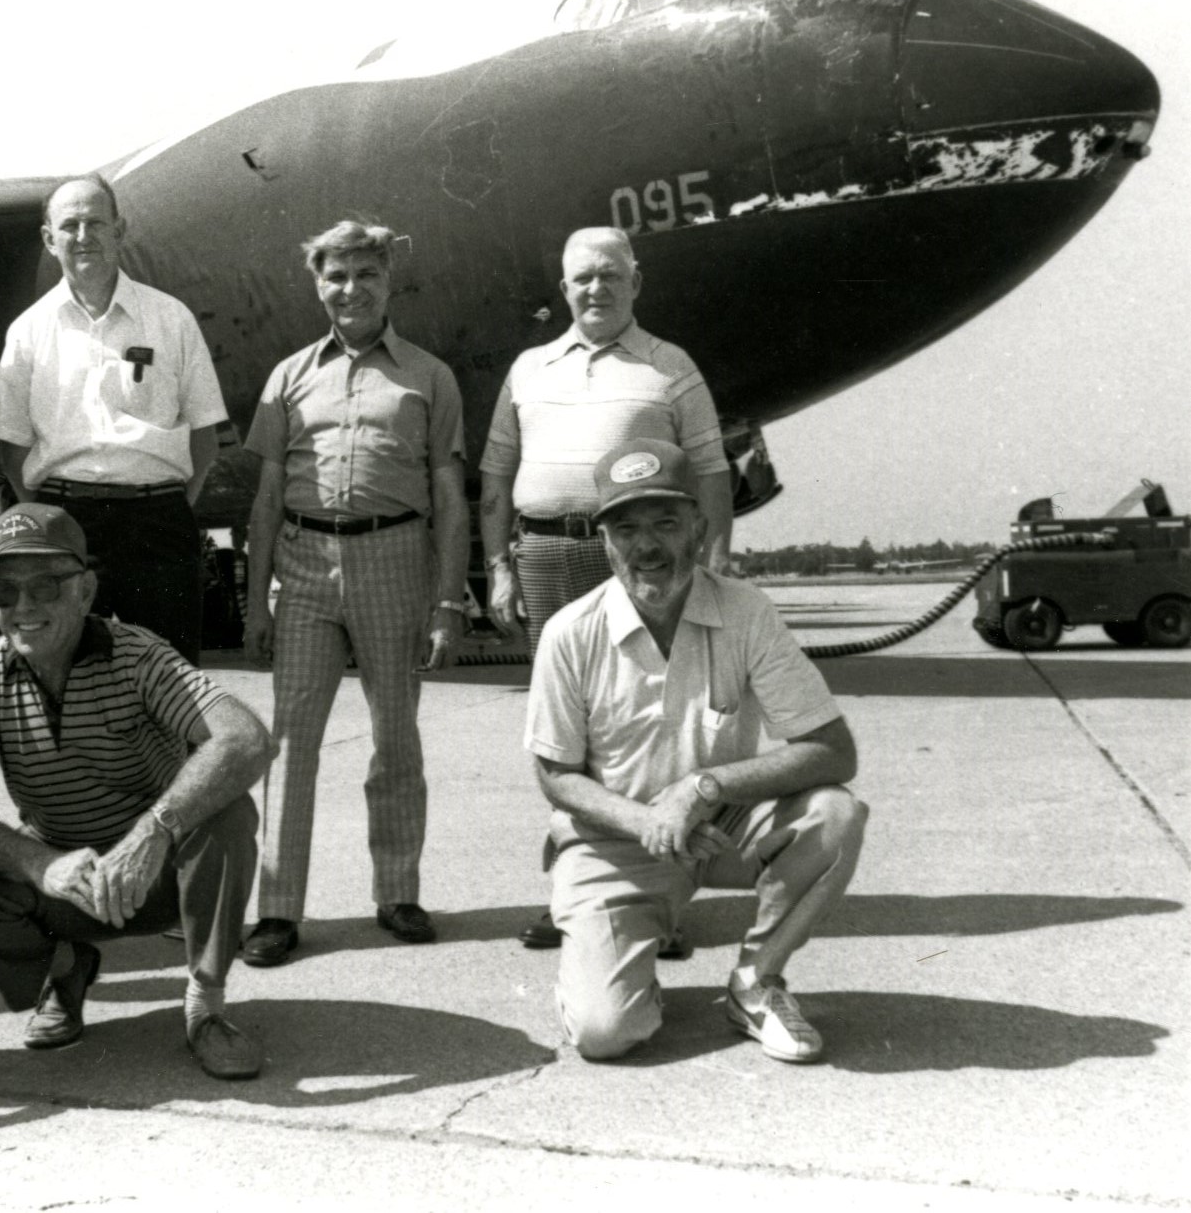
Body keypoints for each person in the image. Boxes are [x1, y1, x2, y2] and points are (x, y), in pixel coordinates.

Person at [529, 438, 867, 1063]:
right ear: (605, 542)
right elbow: (556, 776)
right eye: (626, 527)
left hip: (721, 826)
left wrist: (701, 790)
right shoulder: (569, 633)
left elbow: (833, 752)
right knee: (607, 1034)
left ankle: (755, 982)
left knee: (836, 815)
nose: (647, 545)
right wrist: (653, 821)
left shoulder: (746, 612)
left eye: (665, 522)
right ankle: (611, 968)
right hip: (615, 839)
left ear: (699, 527)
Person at [0, 504, 273, 1079]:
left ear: (85, 591)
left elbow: (246, 738)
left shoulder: (137, 655)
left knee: (229, 812)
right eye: (5, 592)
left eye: (45, 586)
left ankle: (205, 1006)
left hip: (156, 880)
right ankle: (64, 968)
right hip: (66, 884)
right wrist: (42, 866)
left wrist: (152, 835)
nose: (23, 607)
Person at [479, 226, 734, 952]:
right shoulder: (529, 369)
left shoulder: (668, 366)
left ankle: (660, 899)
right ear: (562, 289)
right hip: (547, 552)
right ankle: (572, 894)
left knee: (650, 726)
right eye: (582, 278)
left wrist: (710, 566)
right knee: (565, 735)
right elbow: (496, 476)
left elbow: (710, 472)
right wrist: (497, 565)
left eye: (609, 276)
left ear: (635, 282)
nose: (595, 289)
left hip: (643, 557)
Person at [237, 220, 470, 968]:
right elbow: (267, 494)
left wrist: (448, 601)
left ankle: (397, 891)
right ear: (317, 284)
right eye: (335, 276)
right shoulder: (287, 377)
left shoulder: (428, 377)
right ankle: (276, 909)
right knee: (289, 742)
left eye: (365, 274)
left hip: (395, 558)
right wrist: (254, 599)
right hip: (304, 564)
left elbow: (450, 496)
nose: (350, 289)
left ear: (388, 281)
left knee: (394, 735)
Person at [0, 175, 229, 663]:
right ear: (48, 239)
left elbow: (205, 437)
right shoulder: (29, 331)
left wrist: (166, 502)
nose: (84, 236)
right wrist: (51, 516)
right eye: (70, 225)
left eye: (96, 223)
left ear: (119, 230)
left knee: (171, 678)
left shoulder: (170, 319)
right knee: (66, 674)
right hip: (66, 524)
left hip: (157, 525)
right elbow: (12, 447)